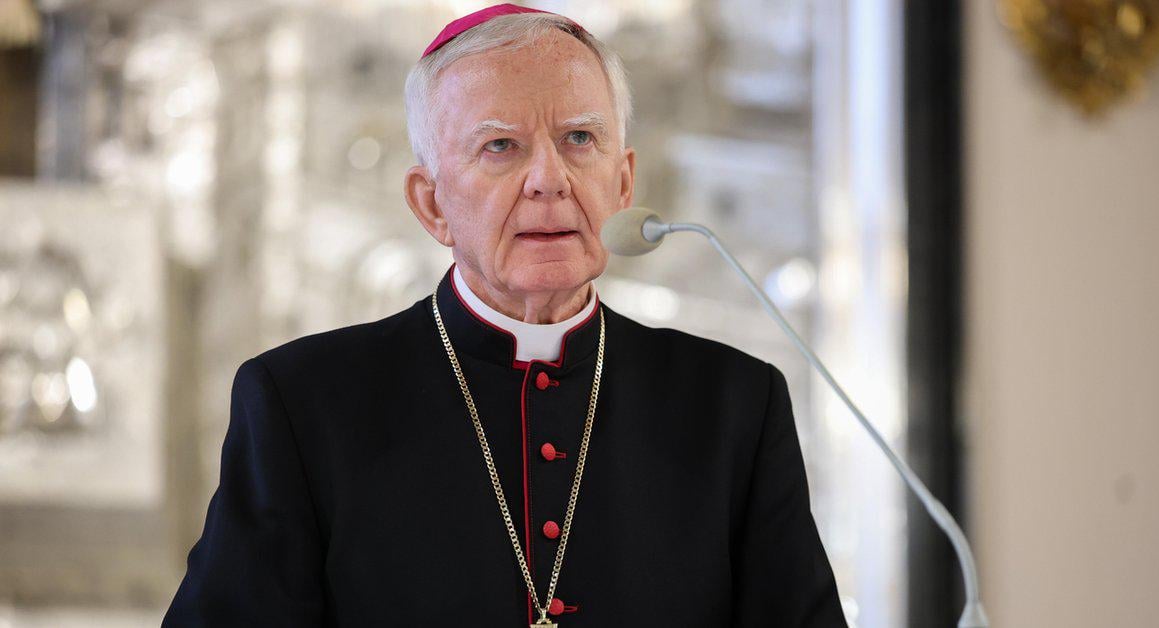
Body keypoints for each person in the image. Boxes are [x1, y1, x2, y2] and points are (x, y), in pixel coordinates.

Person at [163, 4, 846, 626]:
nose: (549, 178)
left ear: (624, 181)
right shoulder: (305, 405)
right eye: (501, 146)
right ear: (431, 204)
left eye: (580, 138)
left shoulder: (732, 407)